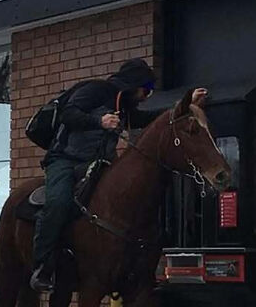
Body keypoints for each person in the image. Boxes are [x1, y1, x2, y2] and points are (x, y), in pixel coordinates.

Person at [30, 57, 207, 292]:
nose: (148, 95)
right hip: (66, 160)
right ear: (134, 84)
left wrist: (183, 106)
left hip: (100, 161)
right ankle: (43, 265)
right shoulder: (95, 90)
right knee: (58, 202)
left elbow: (147, 119)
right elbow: (68, 113)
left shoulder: (124, 106)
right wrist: (99, 120)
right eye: (148, 89)